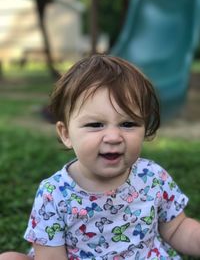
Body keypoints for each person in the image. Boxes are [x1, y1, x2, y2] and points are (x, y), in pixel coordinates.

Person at [1, 54, 200, 260]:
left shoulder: (152, 177)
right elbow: (51, 256)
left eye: (128, 124)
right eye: (95, 125)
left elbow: (177, 229)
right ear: (66, 134)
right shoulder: (54, 194)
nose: (114, 137)